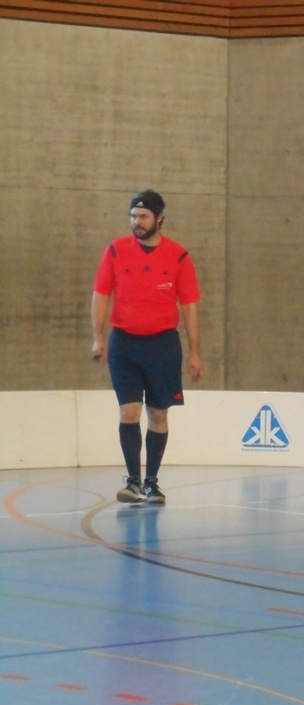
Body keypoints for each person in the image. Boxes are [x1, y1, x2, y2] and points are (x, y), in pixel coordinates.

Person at [90, 189, 203, 505]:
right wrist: (98, 336)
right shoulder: (116, 251)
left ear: (159, 218)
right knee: (129, 410)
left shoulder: (178, 256)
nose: (136, 222)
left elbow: (190, 307)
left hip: (162, 346)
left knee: (157, 414)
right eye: (133, 216)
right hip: (124, 344)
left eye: (143, 216)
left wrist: (195, 351)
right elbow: (101, 295)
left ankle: (152, 482)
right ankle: (133, 482)